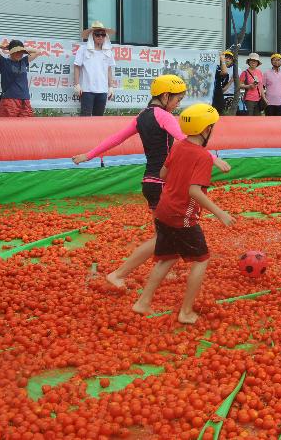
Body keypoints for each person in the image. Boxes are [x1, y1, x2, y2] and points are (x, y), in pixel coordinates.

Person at [71, 75, 231, 288]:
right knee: (162, 236)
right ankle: (119, 274)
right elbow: (187, 141)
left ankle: (161, 268)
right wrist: (214, 159)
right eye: (177, 99)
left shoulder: (142, 116)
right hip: (162, 183)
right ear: (165, 96)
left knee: (164, 234)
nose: (178, 104)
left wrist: (88, 155)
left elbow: (116, 138)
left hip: (150, 181)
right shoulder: (163, 116)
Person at [132, 104, 234, 324]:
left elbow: (163, 173)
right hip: (182, 217)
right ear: (206, 129)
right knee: (201, 259)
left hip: (163, 210)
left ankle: (143, 302)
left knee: (167, 258)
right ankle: (186, 312)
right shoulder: (203, 157)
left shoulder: (178, 146)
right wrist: (220, 213)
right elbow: (194, 191)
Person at [0, 39, 41, 117]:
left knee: (26, 127)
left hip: (25, 100)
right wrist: (4, 46)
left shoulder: (23, 62)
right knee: (7, 127)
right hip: (9, 101)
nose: (19, 54)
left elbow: (37, 51)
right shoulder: (4, 62)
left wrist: (22, 48)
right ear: (11, 52)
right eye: (16, 51)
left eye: (21, 52)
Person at [74, 21, 116, 116]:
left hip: (102, 91)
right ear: (92, 35)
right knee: (85, 118)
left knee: (99, 119)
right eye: (97, 34)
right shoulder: (83, 49)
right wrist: (76, 84)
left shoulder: (108, 51)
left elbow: (108, 69)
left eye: (103, 34)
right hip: (87, 90)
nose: (100, 37)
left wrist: (111, 87)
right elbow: (76, 66)